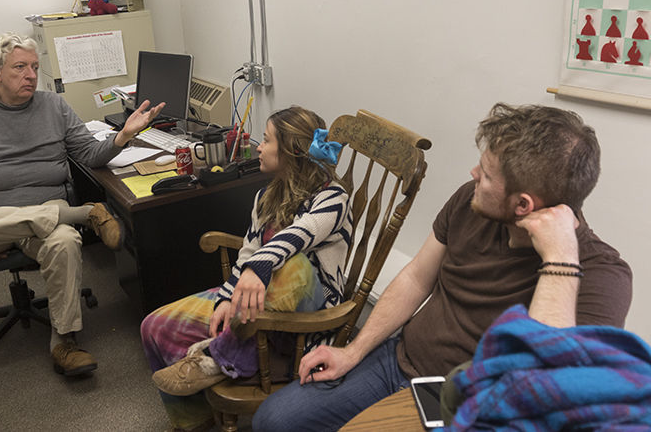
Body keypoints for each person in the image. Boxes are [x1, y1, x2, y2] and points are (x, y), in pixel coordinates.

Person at [252, 103, 633, 431]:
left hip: (464, 404)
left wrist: (560, 261)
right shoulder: (471, 201)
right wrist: (353, 351)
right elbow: (417, 278)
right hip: (396, 360)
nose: (472, 175)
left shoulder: (602, 276)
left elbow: (543, 391)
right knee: (274, 420)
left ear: (523, 206)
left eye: (485, 174)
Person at [0, 32, 164, 377]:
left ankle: (64, 342)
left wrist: (123, 136)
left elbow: (88, 154)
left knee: (66, 241)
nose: (31, 75)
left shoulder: (53, 106)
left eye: (35, 67)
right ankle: (83, 214)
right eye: (20, 67)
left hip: (41, 217)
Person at [139, 106, 353, 431]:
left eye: (266, 141)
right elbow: (250, 249)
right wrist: (227, 298)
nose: (258, 147)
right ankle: (194, 420)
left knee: (294, 265)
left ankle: (216, 355)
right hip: (255, 302)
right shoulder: (266, 195)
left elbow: (299, 235)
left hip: (307, 317)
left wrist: (259, 268)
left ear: (292, 151)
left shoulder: (333, 198)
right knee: (154, 325)